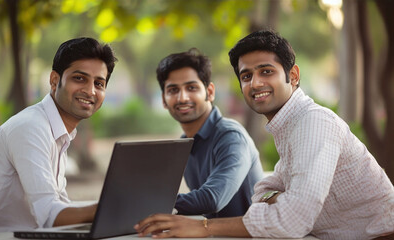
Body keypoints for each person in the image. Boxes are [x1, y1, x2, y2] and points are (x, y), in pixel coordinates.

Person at [134, 30, 394, 240]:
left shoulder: (313, 122)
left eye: (266, 71)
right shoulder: (289, 126)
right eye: (246, 76)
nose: (255, 83)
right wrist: (281, 197)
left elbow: (291, 222)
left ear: (293, 76)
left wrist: (203, 228)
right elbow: (263, 192)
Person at [0, 37, 118, 233]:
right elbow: (50, 215)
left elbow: (60, 207)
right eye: (79, 78)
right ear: (54, 81)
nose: (90, 90)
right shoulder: (31, 128)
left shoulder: (58, 132)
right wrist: (111, 207)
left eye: (99, 83)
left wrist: (117, 207)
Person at [155, 48, 263, 219]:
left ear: (210, 92)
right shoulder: (185, 144)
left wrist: (149, 203)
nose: (182, 98)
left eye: (191, 87)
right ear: (163, 100)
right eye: (173, 90)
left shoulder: (231, 137)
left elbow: (212, 199)